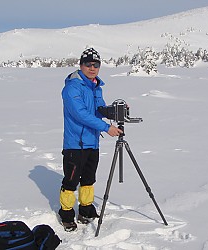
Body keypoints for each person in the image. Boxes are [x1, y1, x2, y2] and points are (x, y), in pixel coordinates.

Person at [59, 48, 122, 231]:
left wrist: (112, 110)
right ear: (81, 65)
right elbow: (81, 114)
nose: (92, 68)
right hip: (75, 144)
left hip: (92, 142)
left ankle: (86, 210)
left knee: (88, 179)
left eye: (96, 65)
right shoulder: (72, 88)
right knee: (70, 181)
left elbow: (98, 109)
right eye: (88, 64)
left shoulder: (96, 86)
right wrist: (106, 127)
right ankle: (67, 214)